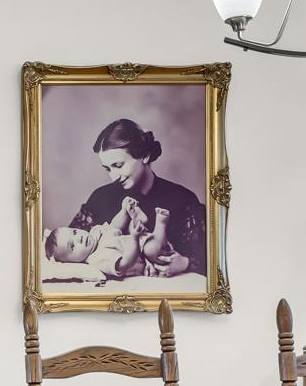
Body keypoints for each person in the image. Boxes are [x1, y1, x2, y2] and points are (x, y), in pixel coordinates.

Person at [65, 117, 204, 278]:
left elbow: (214, 257)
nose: (113, 177)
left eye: (118, 166)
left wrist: (184, 263)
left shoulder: (182, 199)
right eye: (108, 169)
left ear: (144, 155)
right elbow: (65, 251)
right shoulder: (100, 198)